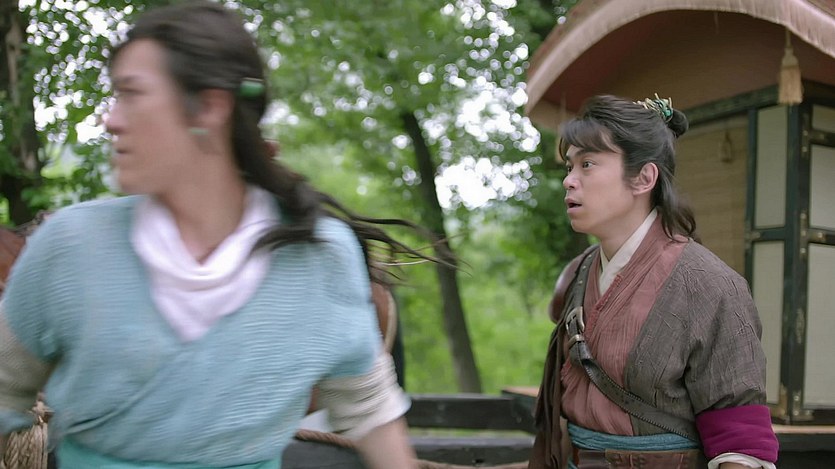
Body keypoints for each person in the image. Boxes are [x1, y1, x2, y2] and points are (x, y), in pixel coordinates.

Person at [0, 2, 426, 468]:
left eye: (131, 94)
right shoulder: (70, 248)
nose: (110, 119)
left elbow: (370, 412)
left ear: (208, 107)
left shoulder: (320, 259)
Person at [528, 95, 779, 469]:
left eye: (587, 164)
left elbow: (740, 439)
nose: (569, 180)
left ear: (644, 178)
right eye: (570, 166)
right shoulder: (579, 273)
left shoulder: (710, 285)